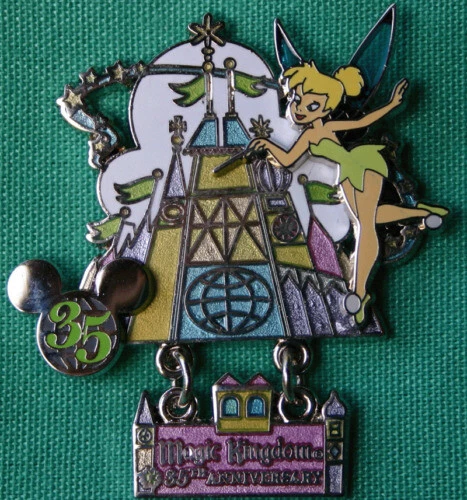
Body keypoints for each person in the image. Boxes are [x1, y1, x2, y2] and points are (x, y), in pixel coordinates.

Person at [250, 61, 448, 324]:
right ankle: (421, 212)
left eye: (312, 106)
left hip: (362, 165)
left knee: (364, 225)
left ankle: (360, 292)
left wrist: (392, 104)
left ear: (327, 109)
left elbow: (363, 121)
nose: (300, 109)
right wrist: (266, 144)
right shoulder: (308, 136)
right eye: (297, 101)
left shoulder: (327, 128)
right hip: (346, 174)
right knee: (370, 218)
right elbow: (287, 160)